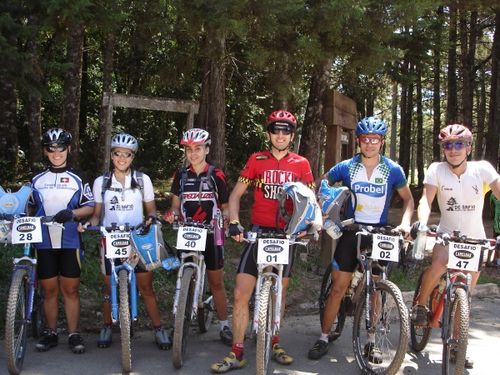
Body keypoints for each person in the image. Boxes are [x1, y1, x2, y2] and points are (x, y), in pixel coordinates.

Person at [211, 109, 316, 373]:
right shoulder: (256, 160)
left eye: (286, 131)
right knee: (240, 293)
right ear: (269, 133)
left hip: (287, 235)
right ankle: (237, 352)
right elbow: (235, 195)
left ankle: (276, 341)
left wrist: (309, 226)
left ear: (292, 135)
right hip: (258, 231)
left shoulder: (301, 164)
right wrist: (234, 221)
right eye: (275, 130)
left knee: (279, 293)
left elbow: (313, 200)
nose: (280, 135)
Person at [307, 116, 414, 362]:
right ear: (359, 142)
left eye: (374, 140)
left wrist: (406, 222)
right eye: (365, 140)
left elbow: (408, 200)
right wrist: (321, 207)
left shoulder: (393, 169)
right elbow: (320, 184)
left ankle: (371, 340)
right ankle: (324, 336)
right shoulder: (346, 166)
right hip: (351, 230)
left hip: (380, 232)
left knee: (376, 288)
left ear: (382, 142)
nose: (369, 144)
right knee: (338, 288)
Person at [411, 123, 500, 369]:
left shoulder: (482, 169)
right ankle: (420, 304)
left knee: (465, 296)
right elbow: (426, 201)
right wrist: (422, 222)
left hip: (475, 238)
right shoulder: (436, 169)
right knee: (439, 264)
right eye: (448, 145)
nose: (453, 150)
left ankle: (458, 347)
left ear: (468, 148)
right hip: (447, 234)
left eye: (459, 144)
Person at [86, 133, 171, 350]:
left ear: (132, 157)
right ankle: (107, 325)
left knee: (146, 286)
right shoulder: (101, 182)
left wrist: (151, 219)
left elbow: (151, 210)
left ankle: (158, 327)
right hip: (110, 238)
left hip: (136, 239)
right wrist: (90, 223)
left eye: (127, 155)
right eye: (117, 154)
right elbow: (97, 213)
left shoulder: (143, 180)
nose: (122, 158)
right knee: (108, 286)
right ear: (111, 155)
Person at [164, 128, 233, 346]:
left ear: (206, 149)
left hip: (212, 232)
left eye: (198, 149)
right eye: (189, 149)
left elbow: (225, 206)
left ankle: (224, 325)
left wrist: (226, 220)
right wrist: (171, 214)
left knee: (216, 282)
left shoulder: (216, 174)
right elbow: (176, 205)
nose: (193, 154)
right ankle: (182, 311)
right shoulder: (181, 175)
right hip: (188, 231)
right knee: (183, 272)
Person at [31, 128, 95, 354]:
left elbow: (91, 206)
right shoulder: (36, 179)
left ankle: (74, 333)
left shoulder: (79, 177)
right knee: (49, 290)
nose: (56, 153)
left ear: (68, 149)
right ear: (45, 151)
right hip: (44, 241)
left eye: (60, 148)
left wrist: (73, 214)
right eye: (51, 148)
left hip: (70, 240)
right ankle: (51, 332)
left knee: (71, 290)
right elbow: (28, 206)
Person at [488, 193, 500, 267]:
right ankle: (497, 260)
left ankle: (491, 260)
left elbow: (492, 207)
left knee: (494, 240)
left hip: (497, 221)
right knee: (496, 241)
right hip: (497, 222)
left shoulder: (493, 194)